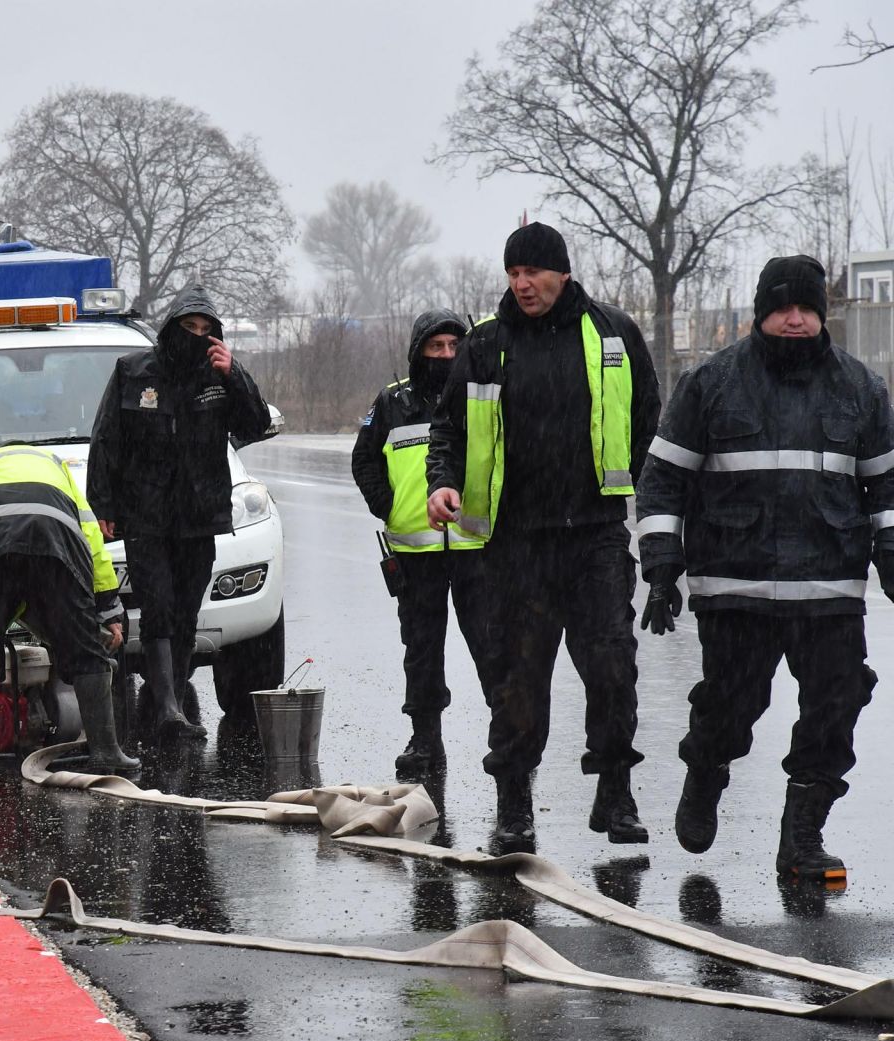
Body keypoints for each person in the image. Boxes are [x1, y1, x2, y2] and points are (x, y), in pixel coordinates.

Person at [637, 255, 894, 884]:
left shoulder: (861, 389)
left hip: (830, 589)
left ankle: (802, 837)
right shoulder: (713, 383)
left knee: (834, 710)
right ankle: (705, 772)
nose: (796, 319)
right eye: (783, 308)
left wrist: (891, 554)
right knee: (730, 706)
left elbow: (886, 488)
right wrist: (662, 567)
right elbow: (663, 481)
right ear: (761, 313)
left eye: (806, 308)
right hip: (736, 588)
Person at [427, 223, 660, 853]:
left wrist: (621, 483)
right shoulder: (485, 344)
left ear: (561, 272)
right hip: (515, 542)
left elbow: (646, 416)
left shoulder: (613, 333)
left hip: (594, 537)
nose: (521, 284)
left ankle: (615, 792)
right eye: (512, 273)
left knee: (612, 667)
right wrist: (443, 483)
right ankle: (514, 807)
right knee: (518, 678)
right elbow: (447, 432)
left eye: (532, 272)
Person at [86, 284, 274, 739]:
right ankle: (169, 708)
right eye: (189, 326)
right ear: (172, 327)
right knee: (158, 605)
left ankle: (164, 701)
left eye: (205, 329)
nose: (196, 335)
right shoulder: (133, 371)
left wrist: (236, 375)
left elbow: (256, 425)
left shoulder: (217, 377)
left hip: (199, 513)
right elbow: (107, 438)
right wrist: (105, 504)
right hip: (145, 512)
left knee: (187, 609)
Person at [351, 308, 498, 777]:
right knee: (421, 651)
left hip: (479, 547)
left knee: (494, 648)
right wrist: (388, 506)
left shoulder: (482, 397)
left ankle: (510, 736)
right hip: (416, 554)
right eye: (437, 347)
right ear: (419, 352)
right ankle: (424, 740)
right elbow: (364, 461)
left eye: (455, 347)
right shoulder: (392, 402)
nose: (447, 355)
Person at [0, 443, 137, 773]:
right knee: (85, 645)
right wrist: (107, 607)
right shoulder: (57, 468)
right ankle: (106, 752)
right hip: (52, 536)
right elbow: (91, 541)